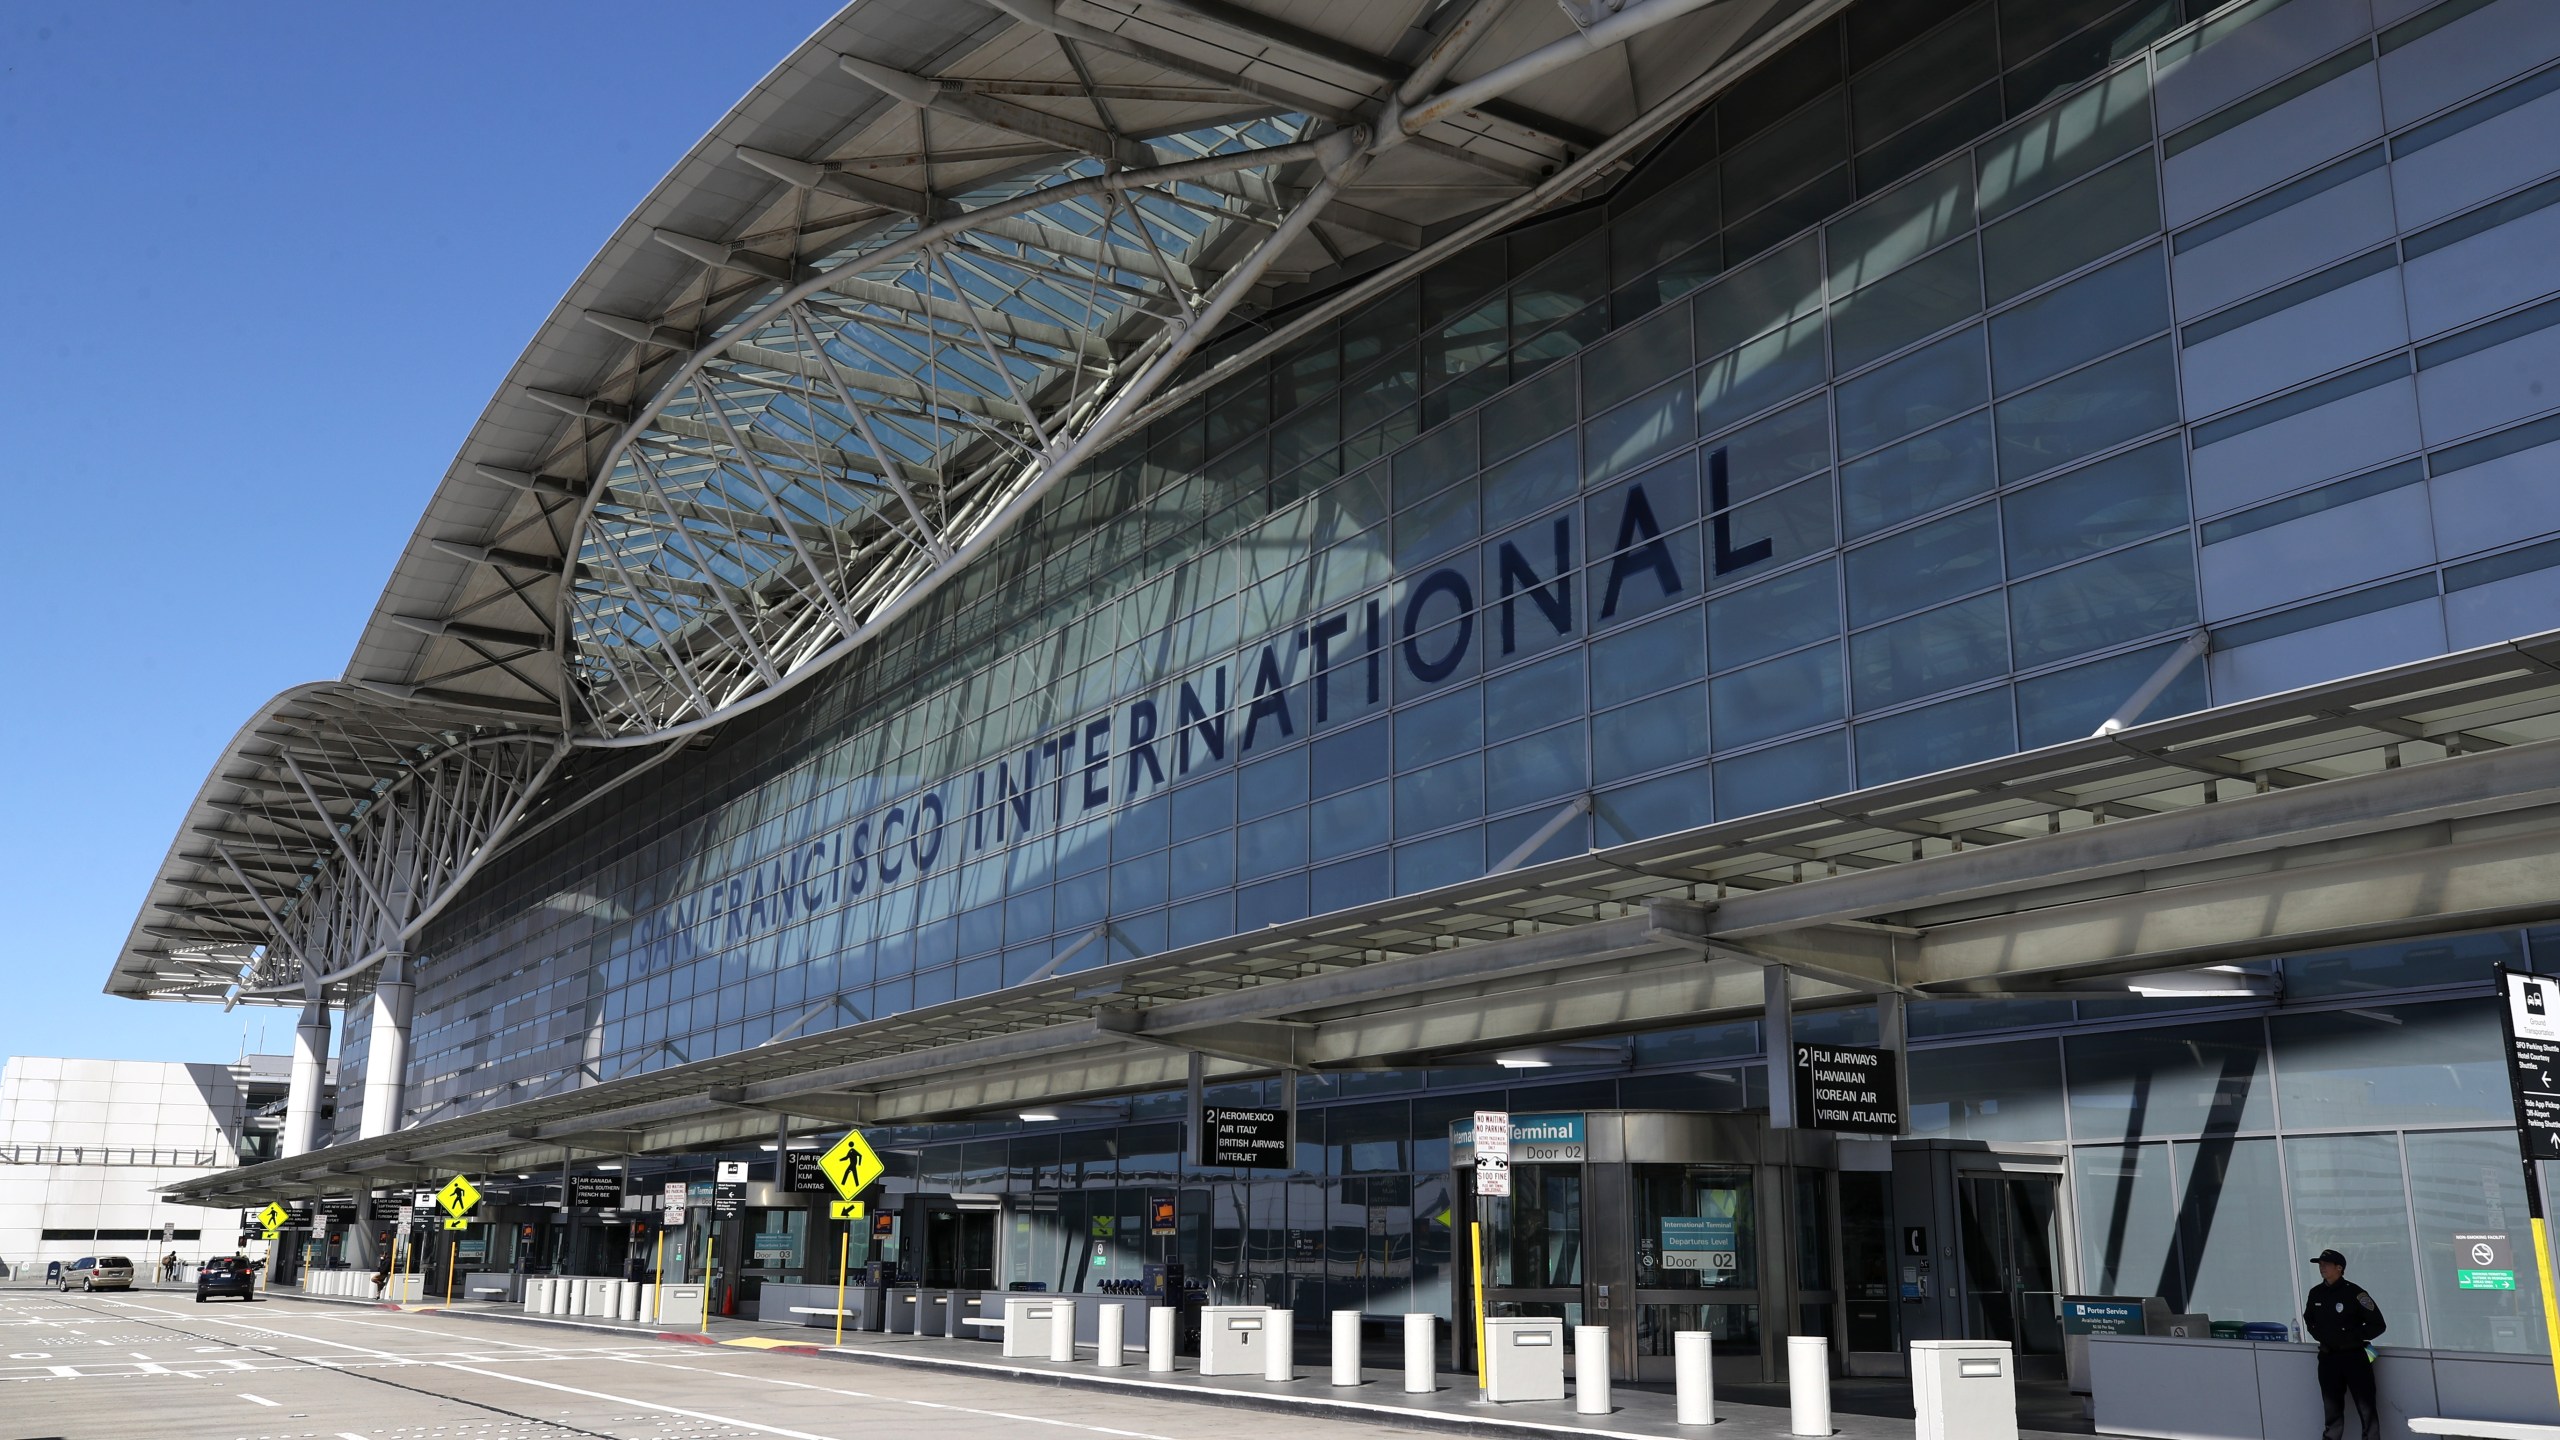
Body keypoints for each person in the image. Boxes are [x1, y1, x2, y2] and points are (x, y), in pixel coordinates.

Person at [2303, 1247, 2387, 1440]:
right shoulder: (2316, 1293)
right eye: (2320, 1265)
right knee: (2331, 1411)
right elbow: (2309, 1320)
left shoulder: (2355, 1293)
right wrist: (2322, 1336)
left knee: (2366, 1409)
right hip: (2328, 1358)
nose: (2322, 1268)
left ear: (2339, 1268)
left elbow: (2378, 1325)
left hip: (2354, 1357)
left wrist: (2352, 1337)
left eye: (2326, 1264)